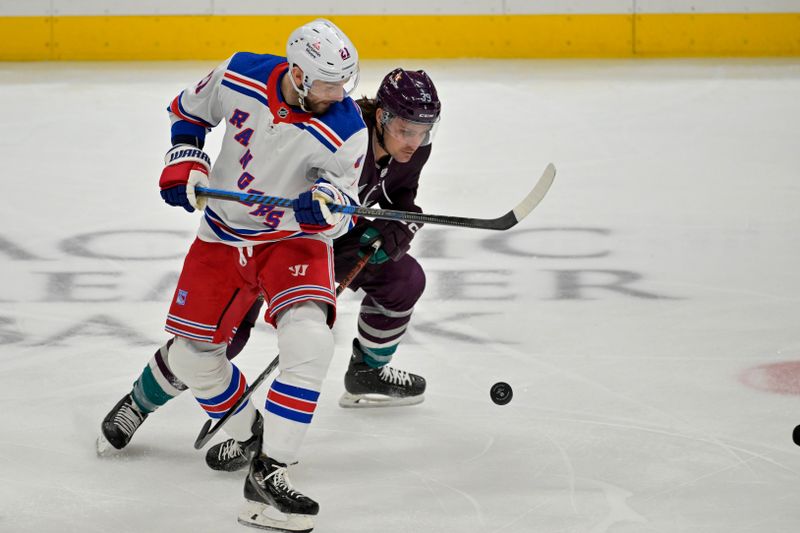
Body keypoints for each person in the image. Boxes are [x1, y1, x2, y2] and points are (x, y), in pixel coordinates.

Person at [99, 62, 441, 529]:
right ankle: (141, 401)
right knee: (213, 346)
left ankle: (368, 372)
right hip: (271, 235)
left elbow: (401, 203)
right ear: (381, 115)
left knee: (403, 280)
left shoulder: (411, 151)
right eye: (405, 128)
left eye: (424, 131)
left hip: (318, 243)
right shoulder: (343, 128)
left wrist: (392, 234)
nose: (413, 141)